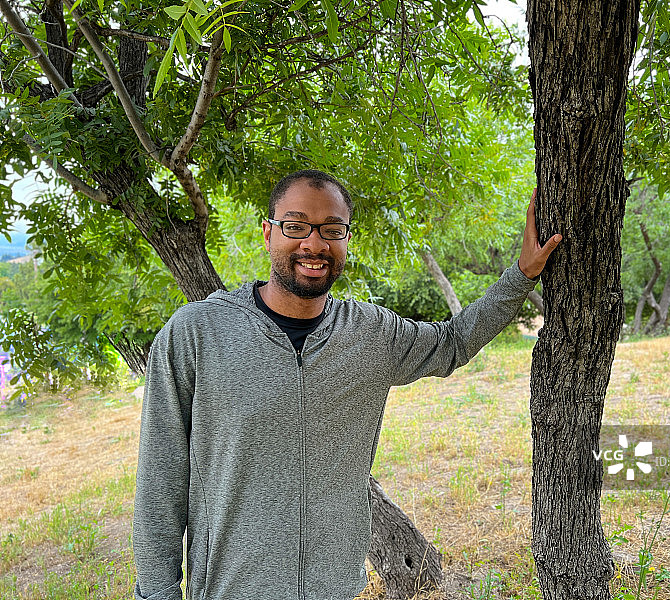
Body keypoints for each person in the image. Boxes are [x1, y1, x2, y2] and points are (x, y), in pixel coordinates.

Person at [132, 169, 561, 600]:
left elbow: (453, 342)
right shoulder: (196, 333)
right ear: (268, 233)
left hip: (335, 589)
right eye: (296, 226)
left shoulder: (371, 335)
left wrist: (523, 274)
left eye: (331, 230)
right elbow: (160, 484)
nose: (314, 244)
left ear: (346, 240)